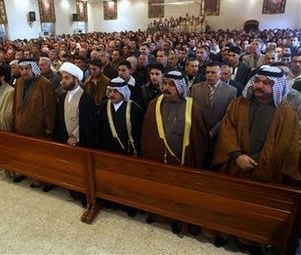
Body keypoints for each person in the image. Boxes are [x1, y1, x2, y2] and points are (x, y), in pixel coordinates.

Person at [141, 70, 207, 234]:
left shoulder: (192, 107)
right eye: (166, 84)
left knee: (177, 193)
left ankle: (176, 218)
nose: (167, 87)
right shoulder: (154, 104)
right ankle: (155, 214)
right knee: (157, 189)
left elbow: (199, 138)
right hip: (157, 160)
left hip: (181, 163)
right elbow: (147, 134)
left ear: (180, 86)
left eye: (172, 85)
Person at [212, 65, 300, 184]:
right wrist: (237, 155)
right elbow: (227, 129)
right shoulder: (238, 104)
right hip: (235, 165)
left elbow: (289, 145)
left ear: (277, 87)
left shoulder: (287, 112)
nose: (259, 85)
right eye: (257, 81)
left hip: (267, 171)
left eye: (266, 83)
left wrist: (264, 160)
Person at [12, 59, 56, 184]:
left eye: (27, 68)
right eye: (21, 69)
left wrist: (49, 127)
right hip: (21, 126)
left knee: (41, 157)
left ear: (34, 68)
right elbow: (16, 104)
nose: (24, 72)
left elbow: (50, 108)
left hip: (38, 127)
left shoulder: (44, 83)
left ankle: (45, 180)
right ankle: (29, 174)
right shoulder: (19, 82)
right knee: (25, 154)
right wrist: (15, 119)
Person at [54, 62, 97, 148]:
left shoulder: (86, 99)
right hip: (64, 141)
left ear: (76, 79)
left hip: (80, 144)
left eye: (66, 78)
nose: (62, 81)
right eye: (62, 78)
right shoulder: (62, 97)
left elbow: (88, 124)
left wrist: (76, 137)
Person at [98, 77, 143, 156]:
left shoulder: (134, 109)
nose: (111, 94)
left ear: (123, 92)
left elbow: (137, 134)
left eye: (115, 91)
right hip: (107, 150)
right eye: (110, 91)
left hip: (126, 152)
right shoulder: (104, 106)